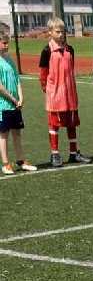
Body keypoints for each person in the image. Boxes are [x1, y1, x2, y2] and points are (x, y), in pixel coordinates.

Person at [39, 17, 90, 168]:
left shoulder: (70, 49)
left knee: (71, 123)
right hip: (55, 95)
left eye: (63, 31)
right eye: (57, 32)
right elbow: (43, 73)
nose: (61, 34)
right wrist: (48, 89)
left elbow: (70, 69)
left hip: (70, 94)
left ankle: (74, 153)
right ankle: (54, 153)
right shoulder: (47, 51)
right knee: (54, 125)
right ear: (50, 32)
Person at [0, 30, 37, 176]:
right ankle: (6, 164)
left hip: (15, 105)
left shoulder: (9, 59)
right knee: (3, 134)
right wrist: (13, 99)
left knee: (17, 133)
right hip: (3, 105)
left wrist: (21, 97)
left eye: (7, 42)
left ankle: (21, 161)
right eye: (4, 43)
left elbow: (17, 80)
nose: (7, 45)